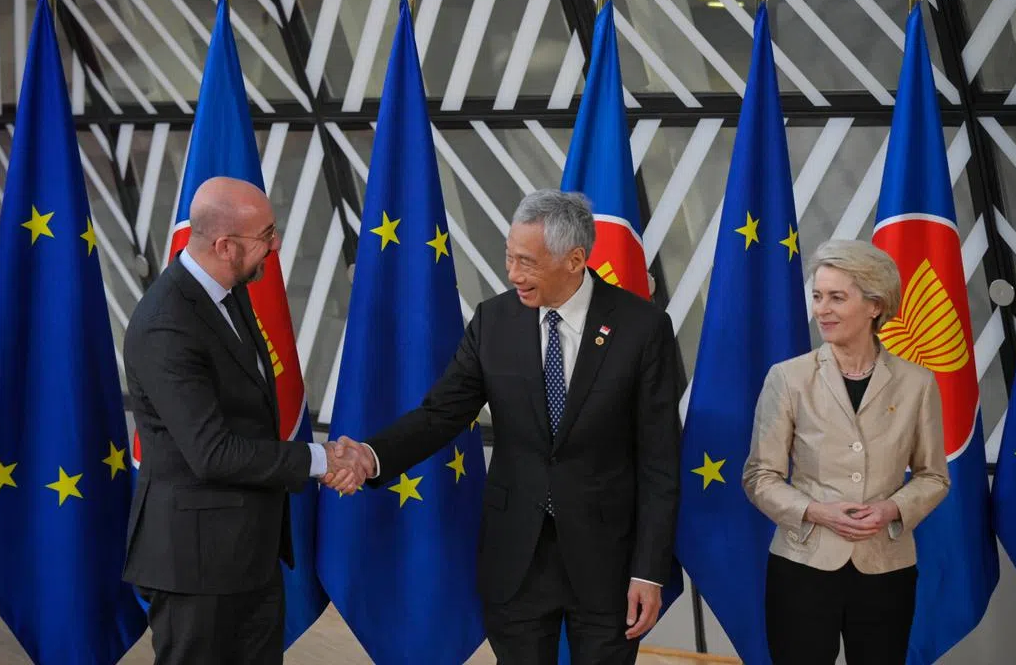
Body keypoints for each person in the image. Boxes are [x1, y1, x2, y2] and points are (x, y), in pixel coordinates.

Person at [329, 189, 682, 665]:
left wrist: (649, 571)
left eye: (527, 262)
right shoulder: (494, 321)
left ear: (575, 259)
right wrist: (372, 456)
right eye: (509, 258)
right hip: (517, 556)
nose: (512, 274)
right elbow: (441, 414)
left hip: (610, 563)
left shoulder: (643, 328)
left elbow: (660, 460)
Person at [122, 176, 363, 665]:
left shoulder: (227, 291)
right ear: (225, 245)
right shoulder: (167, 322)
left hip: (247, 553)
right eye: (266, 235)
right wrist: (320, 459)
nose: (274, 245)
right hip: (196, 562)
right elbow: (212, 453)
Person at [742, 239, 950, 665]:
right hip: (803, 564)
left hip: (886, 567)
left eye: (837, 297)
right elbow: (759, 476)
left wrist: (892, 509)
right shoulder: (788, 377)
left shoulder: (917, 383)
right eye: (818, 296)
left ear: (875, 306)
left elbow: (934, 476)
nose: (822, 309)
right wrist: (816, 511)